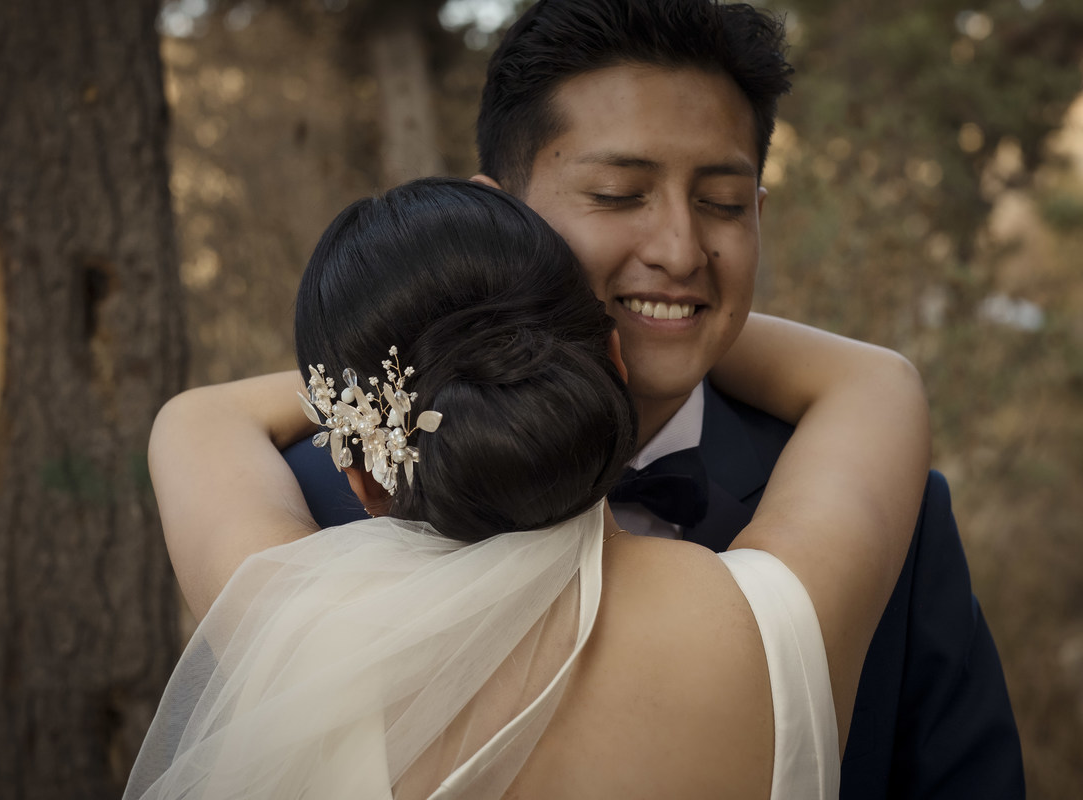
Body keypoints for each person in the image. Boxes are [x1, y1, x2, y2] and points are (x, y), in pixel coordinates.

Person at [286, 1, 1025, 798]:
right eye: (617, 193)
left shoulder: (892, 506)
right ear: (500, 216)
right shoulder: (312, 506)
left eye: (723, 205)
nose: (679, 250)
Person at [128, 177, 929, 799]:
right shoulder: (774, 622)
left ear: (362, 475)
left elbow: (201, 418)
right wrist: (663, 315)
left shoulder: (299, 638)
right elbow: (875, 381)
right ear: (614, 366)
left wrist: (402, 385)